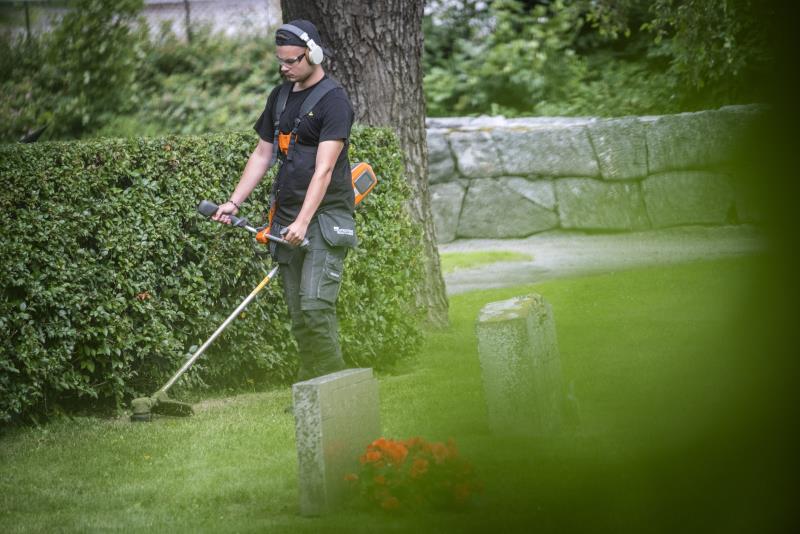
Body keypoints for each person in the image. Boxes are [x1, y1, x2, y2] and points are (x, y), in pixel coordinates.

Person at [212, 20, 356, 381]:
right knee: (299, 317)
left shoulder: (334, 101)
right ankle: (312, 393)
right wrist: (234, 202)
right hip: (286, 219)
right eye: (281, 61)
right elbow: (263, 154)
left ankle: (339, 393)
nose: (284, 67)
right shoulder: (279, 97)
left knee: (315, 310)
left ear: (314, 54)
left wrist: (304, 222)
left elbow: (324, 170)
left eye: (291, 60)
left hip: (322, 220)